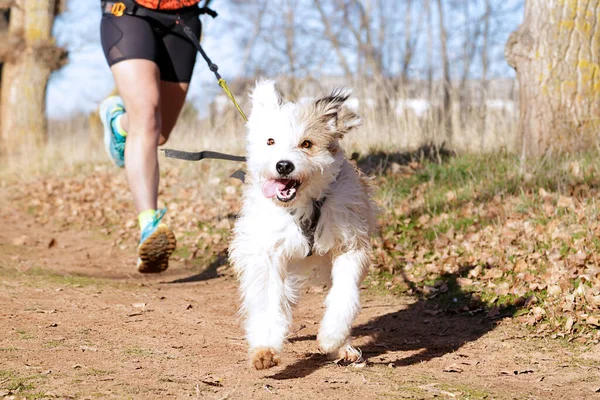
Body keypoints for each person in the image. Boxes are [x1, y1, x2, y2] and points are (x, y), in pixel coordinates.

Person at [98, 0, 203, 273]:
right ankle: (150, 226)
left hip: (183, 18)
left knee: (159, 133)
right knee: (145, 114)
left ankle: (118, 123)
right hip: (128, 13)